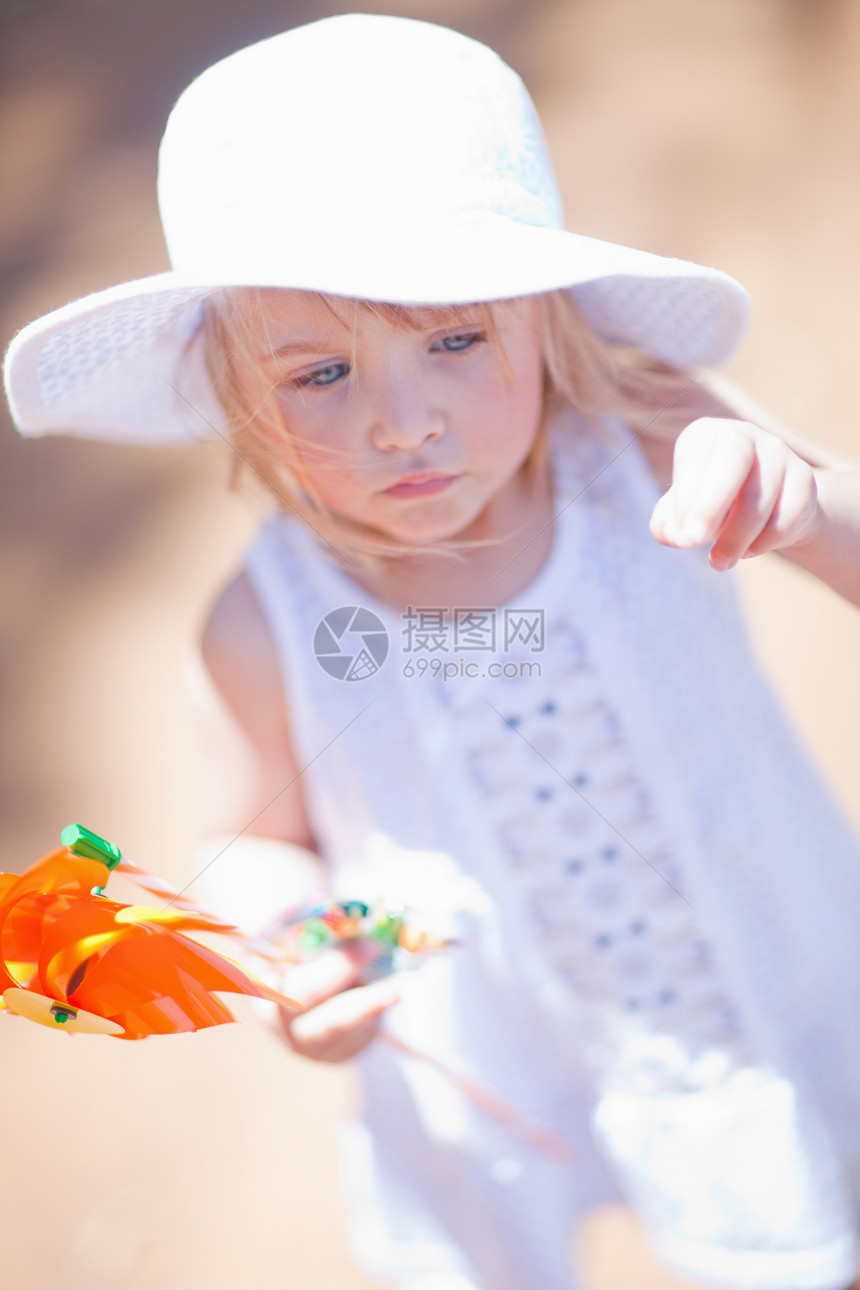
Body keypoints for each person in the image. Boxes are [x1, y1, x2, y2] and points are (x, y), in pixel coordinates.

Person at [5, 14, 860, 1290]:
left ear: (540, 315)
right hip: (486, 1047)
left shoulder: (648, 439)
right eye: (319, 373)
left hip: (747, 977)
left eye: (454, 341)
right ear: (236, 389)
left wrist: (800, 499)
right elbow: (258, 843)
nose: (401, 423)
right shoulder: (260, 625)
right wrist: (291, 953)